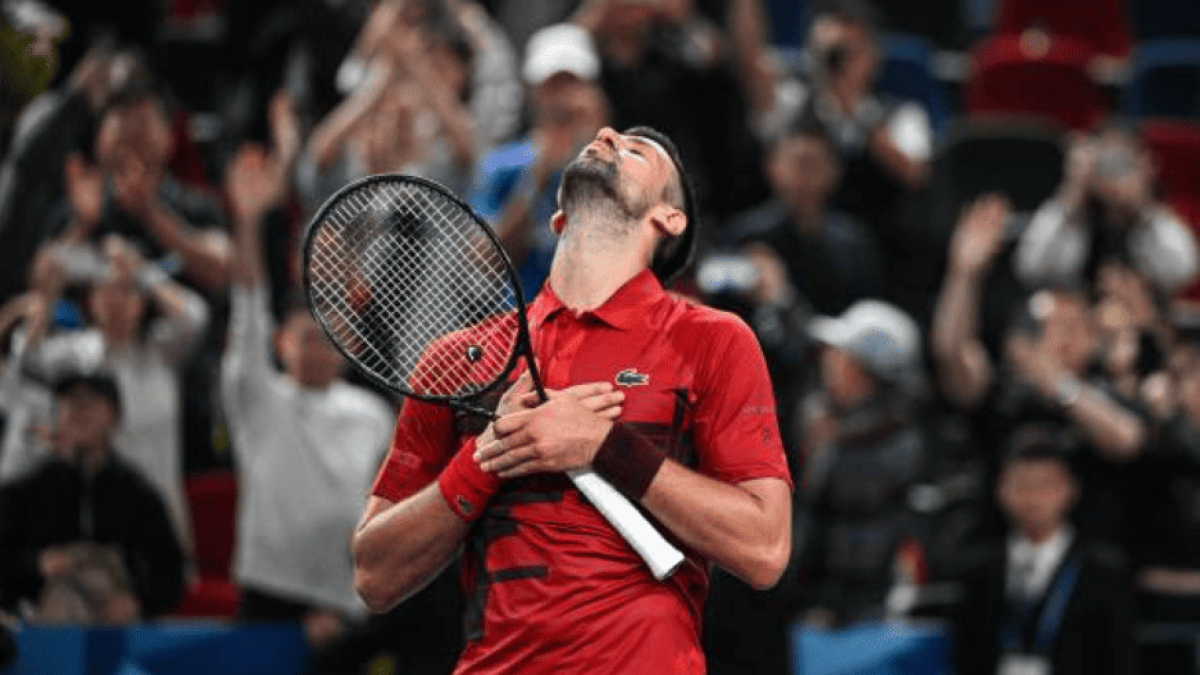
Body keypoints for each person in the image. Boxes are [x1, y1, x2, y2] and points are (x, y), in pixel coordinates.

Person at [354, 125, 793, 674]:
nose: (606, 134)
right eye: (605, 137)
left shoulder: (712, 341)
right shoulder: (458, 357)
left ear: (669, 219)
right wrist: (485, 457)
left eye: (637, 150)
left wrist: (604, 445)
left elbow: (765, 549)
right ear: (559, 216)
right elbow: (373, 574)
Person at [220, 143, 395, 655]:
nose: (318, 345)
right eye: (305, 334)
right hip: (267, 600)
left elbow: (382, 513)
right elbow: (247, 308)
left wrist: (350, 604)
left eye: (331, 334)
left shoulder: (373, 414)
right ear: (281, 343)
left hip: (346, 607)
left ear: (352, 347)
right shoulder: (258, 397)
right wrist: (249, 221)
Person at [932, 193, 1150, 553]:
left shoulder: (1105, 390)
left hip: (1090, 564)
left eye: (1076, 326)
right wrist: (963, 274)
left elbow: (1127, 439)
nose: (1065, 338)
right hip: (998, 556)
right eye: (1053, 326)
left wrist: (1058, 385)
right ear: (1029, 333)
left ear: (1095, 340)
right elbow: (951, 354)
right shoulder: (1006, 391)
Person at [0, 370, 185, 622]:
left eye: (90, 403)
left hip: (118, 631)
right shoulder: (24, 489)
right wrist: (36, 564)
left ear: (115, 415)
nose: (78, 411)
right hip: (43, 630)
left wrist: (138, 601)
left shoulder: (138, 492)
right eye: (68, 403)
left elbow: (171, 572)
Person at [953, 425, 1137, 675]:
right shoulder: (977, 571)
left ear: (1070, 490)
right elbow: (965, 657)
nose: (1033, 498)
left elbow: (1119, 660)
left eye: (1045, 485)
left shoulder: (1104, 570)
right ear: (1000, 491)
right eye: (1022, 485)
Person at [467, 21, 611, 297]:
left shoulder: (618, 164)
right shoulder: (501, 163)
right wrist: (537, 177)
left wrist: (602, 146)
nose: (563, 97)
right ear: (533, 91)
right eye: (553, 85)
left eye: (573, 82)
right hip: (523, 321)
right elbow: (484, 260)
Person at [1014, 123, 1198, 296]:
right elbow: (1030, 269)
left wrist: (1143, 205)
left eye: (1123, 162)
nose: (1113, 172)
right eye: (1104, 163)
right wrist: (1072, 191)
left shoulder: (1156, 218)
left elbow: (1183, 272)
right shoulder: (1076, 215)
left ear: (1146, 165)